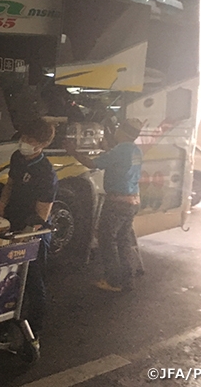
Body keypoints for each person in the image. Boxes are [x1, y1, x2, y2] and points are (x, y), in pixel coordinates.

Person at [0, 118, 58, 346]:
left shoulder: (46, 173)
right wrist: (1, 205)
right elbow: (10, 183)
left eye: (30, 139)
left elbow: (41, 216)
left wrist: (24, 239)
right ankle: (3, 327)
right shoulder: (17, 158)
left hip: (33, 234)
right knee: (7, 279)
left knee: (33, 283)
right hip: (13, 222)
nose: (24, 142)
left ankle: (34, 334)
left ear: (43, 144)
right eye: (24, 137)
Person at [64, 118, 144, 292]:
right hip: (133, 201)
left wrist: (73, 151)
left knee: (107, 240)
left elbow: (92, 163)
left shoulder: (119, 150)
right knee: (123, 241)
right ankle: (128, 280)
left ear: (122, 131)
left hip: (117, 203)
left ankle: (113, 281)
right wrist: (107, 148)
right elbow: (119, 161)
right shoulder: (135, 150)